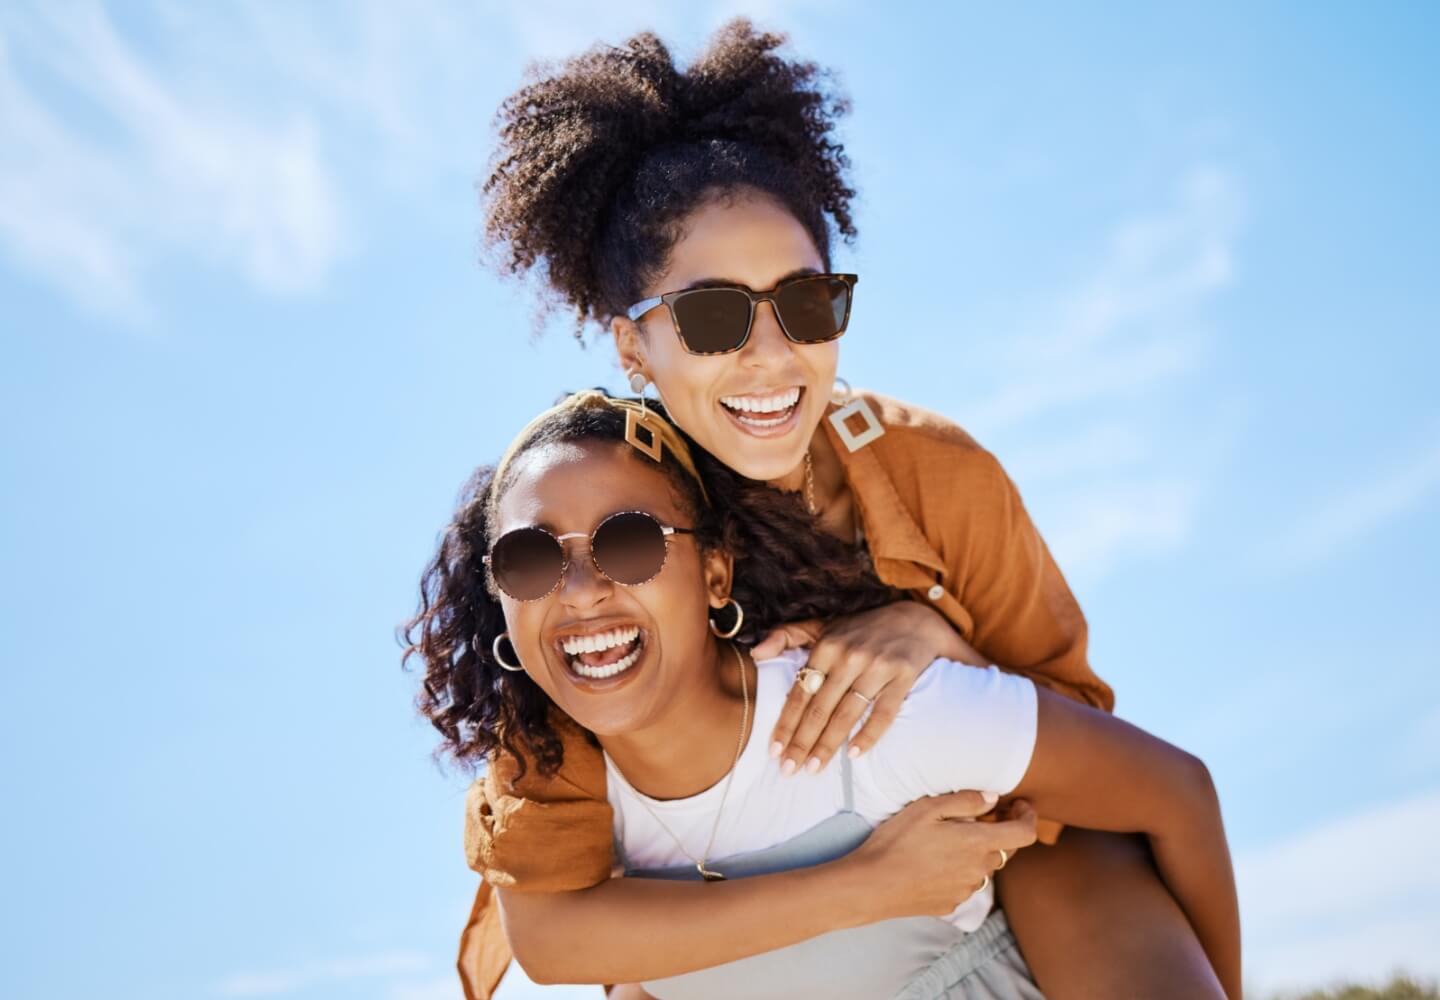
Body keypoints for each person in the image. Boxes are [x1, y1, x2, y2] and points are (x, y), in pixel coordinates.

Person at [462, 18, 1227, 999]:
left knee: (1081, 858)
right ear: (630, 348)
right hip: (711, 911)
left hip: (955, 873)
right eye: (711, 315)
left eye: (808, 304)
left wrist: (939, 636)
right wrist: (858, 888)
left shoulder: (930, 473)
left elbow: (1081, 729)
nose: (773, 355)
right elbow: (559, 905)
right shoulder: (596, 538)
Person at [404, 391, 1240, 999]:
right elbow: (548, 946)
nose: (581, 590)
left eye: (630, 543)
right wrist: (869, 885)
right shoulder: (549, 789)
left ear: (716, 572)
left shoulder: (870, 706)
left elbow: (1175, 791)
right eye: (530, 560)